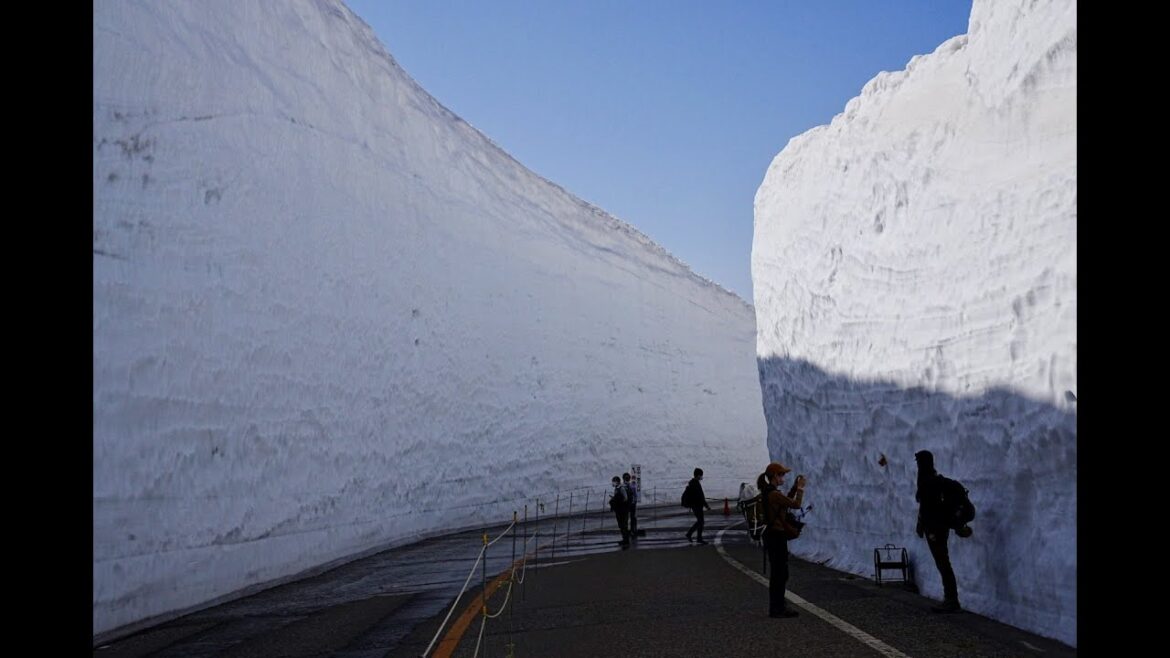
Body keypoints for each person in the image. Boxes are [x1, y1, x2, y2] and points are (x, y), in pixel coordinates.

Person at [915, 450, 961, 613]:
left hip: (935, 529)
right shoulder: (933, 480)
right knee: (943, 563)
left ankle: (951, 599)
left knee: (943, 563)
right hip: (939, 528)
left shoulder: (927, 482)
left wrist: (924, 525)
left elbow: (927, 507)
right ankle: (950, 598)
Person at [761, 461, 805, 618]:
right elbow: (795, 504)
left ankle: (778, 606)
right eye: (782, 475)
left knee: (779, 573)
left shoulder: (769, 492)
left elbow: (783, 503)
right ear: (774, 476)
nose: (783, 477)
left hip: (772, 536)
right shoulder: (774, 494)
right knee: (780, 574)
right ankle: (777, 608)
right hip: (776, 537)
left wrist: (793, 488)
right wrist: (800, 489)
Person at [683, 468, 712, 544]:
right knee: (700, 521)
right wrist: (706, 506)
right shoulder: (695, 484)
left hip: (695, 506)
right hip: (697, 506)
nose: (701, 476)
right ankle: (693, 535)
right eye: (701, 475)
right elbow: (701, 497)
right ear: (698, 475)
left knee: (700, 521)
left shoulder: (693, 483)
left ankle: (695, 536)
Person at [610, 475, 631, 547]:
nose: (613, 483)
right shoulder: (616, 489)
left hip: (623, 510)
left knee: (624, 525)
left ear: (617, 482)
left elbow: (625, 498)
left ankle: (626, 540)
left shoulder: (621, 488)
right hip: (619, 510)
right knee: (621, 525)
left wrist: (618, 501)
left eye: (614, 482)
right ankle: (624, 539)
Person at [623, 472, 638, 539]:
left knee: (631, 518)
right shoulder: (624, 486)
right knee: (627, 518)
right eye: (626, 478)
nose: (627, 479)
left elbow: (635, 495)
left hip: (630, 504)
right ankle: (630, 530)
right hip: (627, 504)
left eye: (628, 478)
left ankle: (632, 530)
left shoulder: (631, 486)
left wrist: (634, 501)